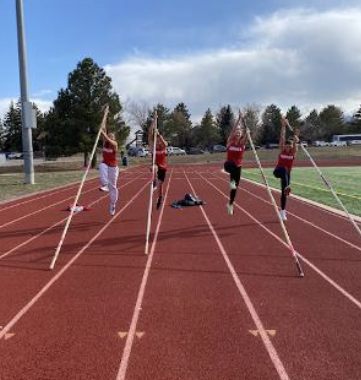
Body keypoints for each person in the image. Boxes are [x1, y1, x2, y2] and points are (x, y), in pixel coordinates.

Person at [273, 117, 299, 221]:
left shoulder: (293, 152)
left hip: (287, 175)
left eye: (289, 146)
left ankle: (282, 211)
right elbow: (282, 137)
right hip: (278, 171)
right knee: (284, 169)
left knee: (284, 194)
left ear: (292, 146)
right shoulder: (282, 150)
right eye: (286, 146)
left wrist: (296, 138)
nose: (287, 147)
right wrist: (283, 126)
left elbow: (296, 144)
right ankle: (287, 186)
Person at [224, 113, 248, 215]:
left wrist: (247, 132)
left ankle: (230, 204)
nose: (237, 133)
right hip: (229, 165)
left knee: (234, 187)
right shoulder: (230, 141)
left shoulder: (242, 144)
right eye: (236, 132)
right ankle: (230, 202)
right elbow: (233, 129)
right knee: (232, 168)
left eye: (239, 132)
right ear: (234, 133)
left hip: (238, 167)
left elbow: (247, 136)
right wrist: (239, 119)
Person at [99, 128, 119, 216]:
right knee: (101, 166)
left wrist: (103, 133)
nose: (110, 138)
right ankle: (105, 184)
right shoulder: (104, 143)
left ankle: (113, 203)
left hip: (113, 167)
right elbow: (103, 130)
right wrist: (105, 115)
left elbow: (107, 138)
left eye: (112, 137)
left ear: (114, 139)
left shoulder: (115, 144)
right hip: (105, 164)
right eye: (109, 136)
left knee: (113, 186)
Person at [148, 122, 168, 210]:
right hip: (156, 166)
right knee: (153, 167)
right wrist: (154, 122)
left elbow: (165, 143)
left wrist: (158, 133)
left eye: (159, 140)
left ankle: (160, 198)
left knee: (161, 185)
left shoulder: (163, 146)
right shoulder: (153, 147)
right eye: (157, 140)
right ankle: (154, 182)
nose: (159, 142)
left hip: (163, 167)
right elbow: (149, 133)